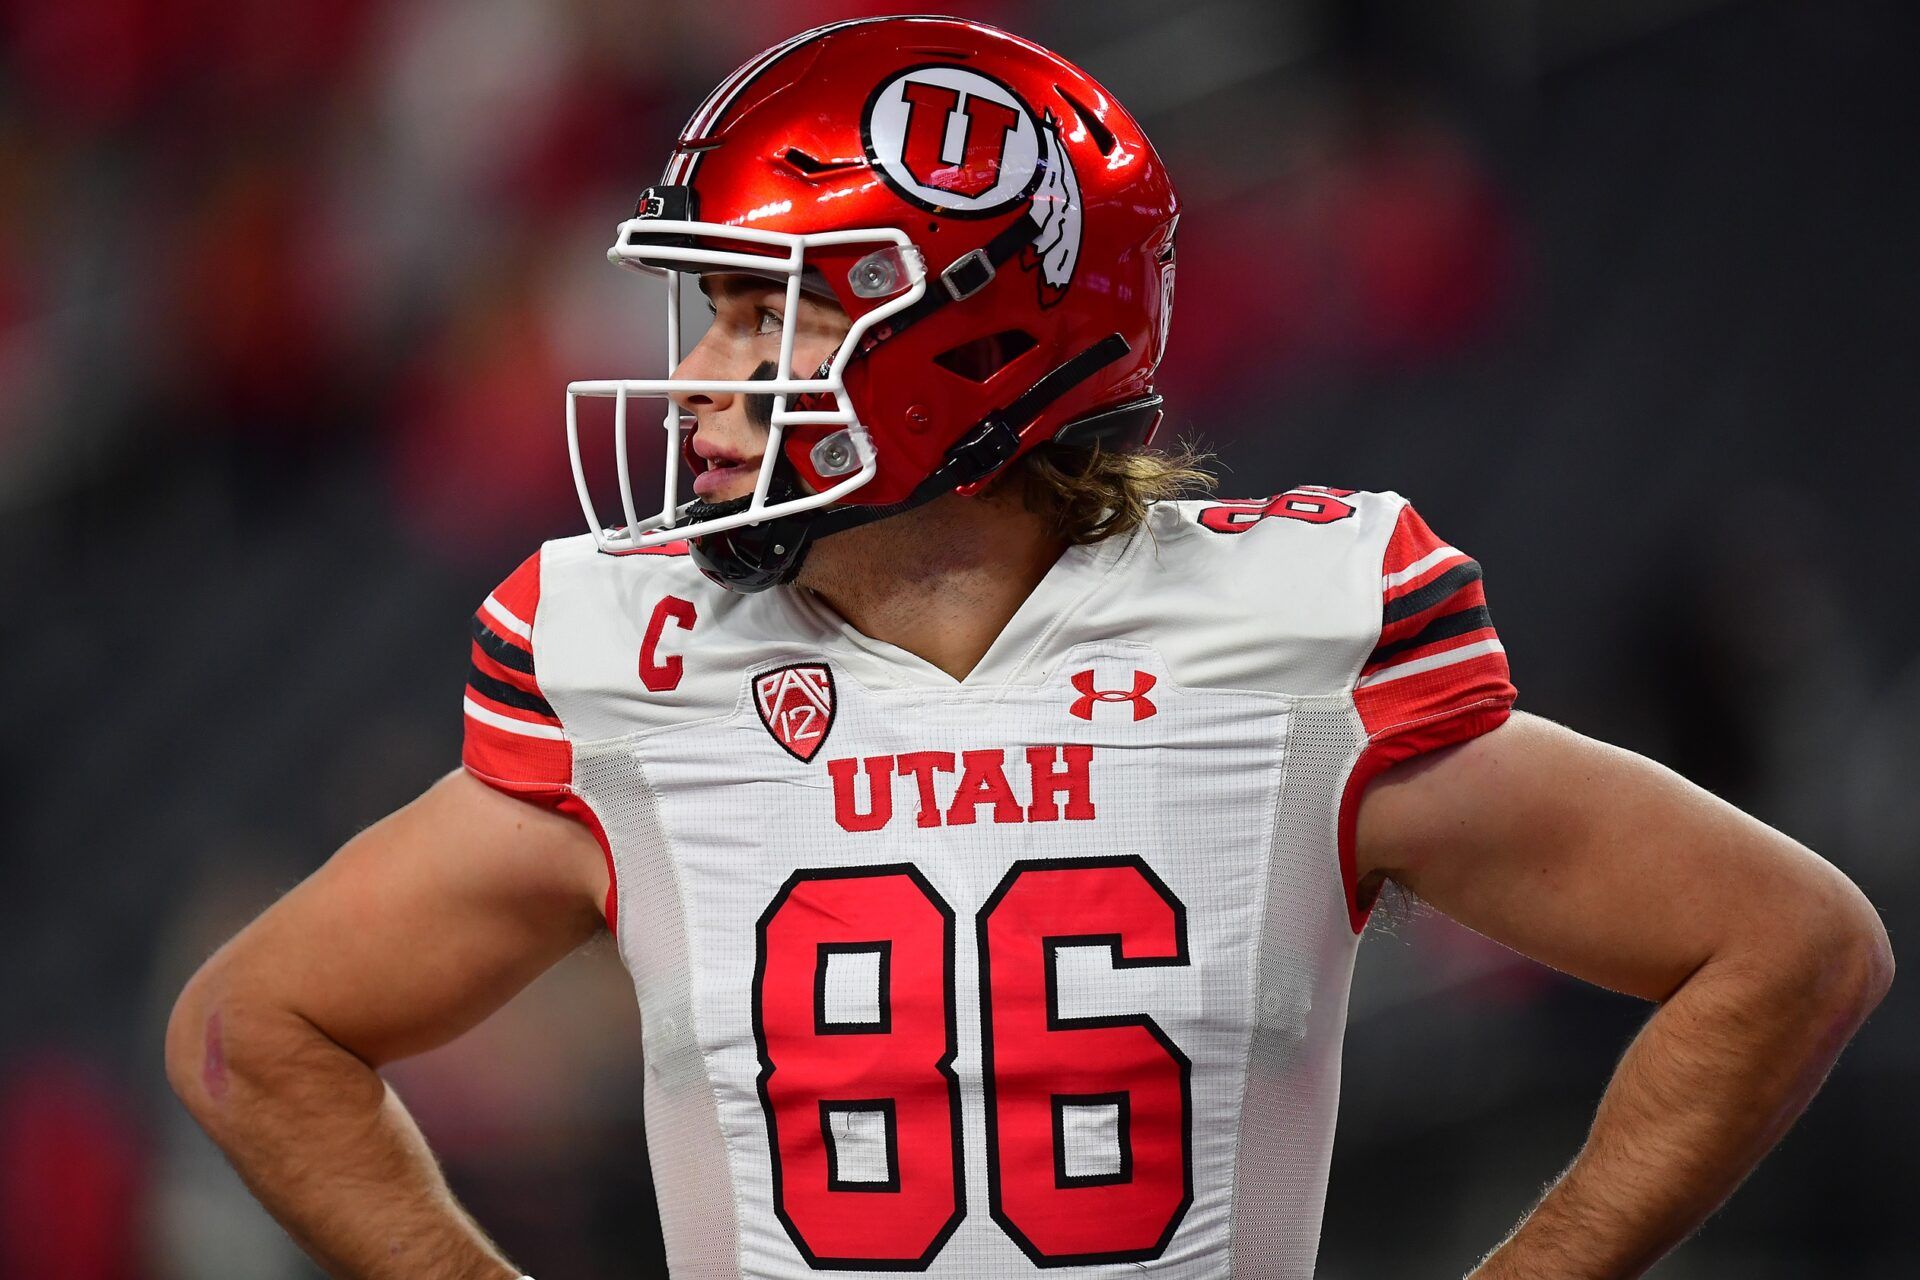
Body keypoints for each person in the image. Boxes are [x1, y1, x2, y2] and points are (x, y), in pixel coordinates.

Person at [165, 17, 1892, 1280]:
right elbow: (255, 1035)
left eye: (774, 312)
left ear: (971, 330)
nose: (698, 376)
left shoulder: (1285, 637)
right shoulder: (640, 656)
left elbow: (1790, 949)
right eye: (716, 315)